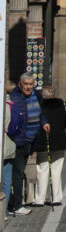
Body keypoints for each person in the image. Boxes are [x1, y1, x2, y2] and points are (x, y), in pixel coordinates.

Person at [7, 73, 50, 216]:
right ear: (20, 84)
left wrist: (43, 123)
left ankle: (15, 202)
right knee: (17, 173)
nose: (28, 87)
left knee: (19, 172)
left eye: (31, 84)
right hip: (20, 141)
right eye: (25, 84)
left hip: (31, 141)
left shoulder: (36, 96)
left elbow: (39, 114)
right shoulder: (15, 97)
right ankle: (17, 205)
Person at [32, 85, 66, 207]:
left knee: (42, 168)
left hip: (43, 140)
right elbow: (65, 121)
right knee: (56, 169)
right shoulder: (59, 104)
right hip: (58, 140)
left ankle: (39, 199)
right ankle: (56, 198)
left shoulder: (39, 105)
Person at [3, 82, 16, 219]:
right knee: (6, 181)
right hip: (10, 145)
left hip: (3, 146)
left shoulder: (4, 107)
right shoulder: (12, 105)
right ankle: (4, 212)